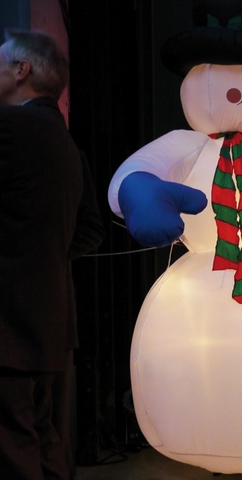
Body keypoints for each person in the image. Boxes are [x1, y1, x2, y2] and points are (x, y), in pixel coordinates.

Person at [0, 29, 103, 480]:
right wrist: (46, 255)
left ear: (22, 70)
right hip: (53, 319)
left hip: (8, 322)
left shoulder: (10, 128)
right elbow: (92, 230)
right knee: (45, 438)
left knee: (13, 445)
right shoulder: (67, 145)